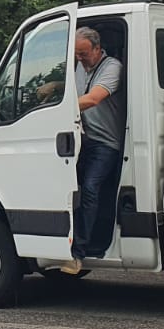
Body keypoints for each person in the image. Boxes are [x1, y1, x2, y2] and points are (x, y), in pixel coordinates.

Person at [61, 26, 124, 275]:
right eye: (76, 54)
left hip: (106, 144)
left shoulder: (112, 67)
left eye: (84, 54)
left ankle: (78, 254)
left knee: (89, 189)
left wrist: (57, 109)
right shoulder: (80, 65)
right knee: (64, 187)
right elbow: (74, 90)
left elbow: (93, 98)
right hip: (83, 140)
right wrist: (53, 87)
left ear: (98, 49)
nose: (79, 59)